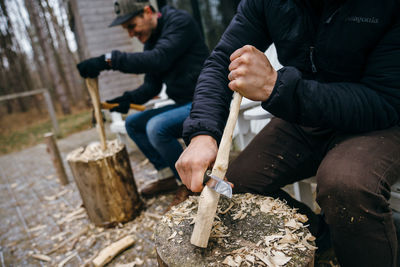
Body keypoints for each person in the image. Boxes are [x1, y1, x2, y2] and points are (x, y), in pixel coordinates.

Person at [176, 0, 400, 266]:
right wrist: (203, 132)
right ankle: (324, 239)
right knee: (235, 188)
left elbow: (385, 99)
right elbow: (222, 60)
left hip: (380, 118)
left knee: (344, 186)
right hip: (306, 111)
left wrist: (276, 85)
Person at [77, 0, 209, 202]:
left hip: (207, 101)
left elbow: (158, 59)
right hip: (184, 103)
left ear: (147, 11)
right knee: (134, 123)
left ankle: (191, 185)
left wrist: (108, 60)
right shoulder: (151, 41)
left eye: (132, 26)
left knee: (156, 127)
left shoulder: (179, 22)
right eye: (127, 29)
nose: (131, 34)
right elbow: (151, 86)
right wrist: (126, 100)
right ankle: (166, 177)